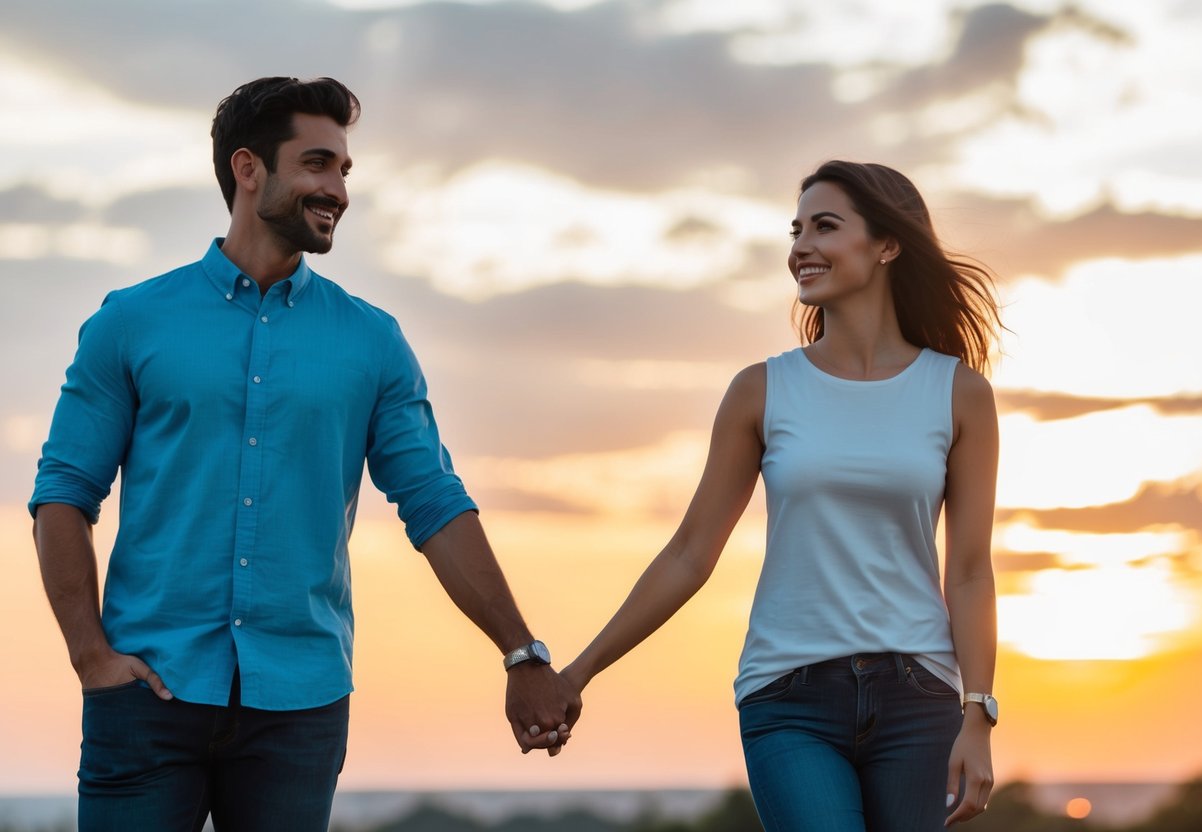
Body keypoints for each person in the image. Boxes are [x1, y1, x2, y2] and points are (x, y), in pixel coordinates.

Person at [30, 76, 579, 832]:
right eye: (317, 164)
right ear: (248, 169)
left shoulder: (371, 341)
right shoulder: (131, 323)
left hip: (300, 707)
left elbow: (433, 501)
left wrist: (521, 652)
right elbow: (63, 492)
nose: (338, 190)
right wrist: (90, 657)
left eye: (345, 171)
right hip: (147, 697)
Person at [561, 160, 1001, 831]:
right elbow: (688, 554)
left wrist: (978, 714)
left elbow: (968, 572)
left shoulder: (958, 393)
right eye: (795, 230)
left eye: (824, 226)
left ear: (885, 245)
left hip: (918, 700)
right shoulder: (761, 391)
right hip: (788, 699)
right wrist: (579, 670)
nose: (800, 246)